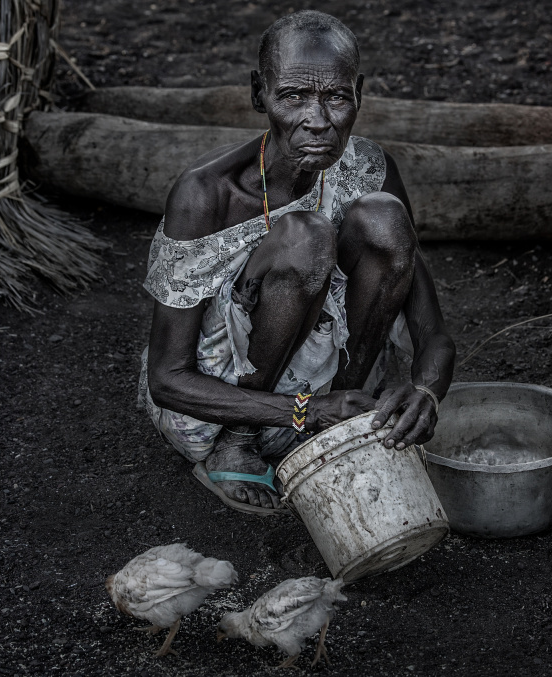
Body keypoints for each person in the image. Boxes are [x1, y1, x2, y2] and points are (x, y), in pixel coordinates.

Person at [139, 10, 455, 514]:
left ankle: (337, 430)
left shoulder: (368, 168)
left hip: (332, 387)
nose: (318, 120)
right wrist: (307, 410)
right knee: (304, 236)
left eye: (336, 97)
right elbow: (167, 379)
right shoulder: (207, 193)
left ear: (359, 95)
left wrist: (427, 391)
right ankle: (241, 444)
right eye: (293, 97)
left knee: (384, 217)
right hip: (220, 403)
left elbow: (430, 328)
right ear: (258, 93)